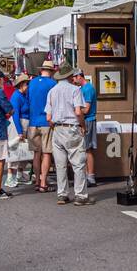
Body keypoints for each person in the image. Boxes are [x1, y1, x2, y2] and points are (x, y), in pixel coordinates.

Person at [46, 64, 92, 206]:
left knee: (60, 165)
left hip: (57, 129)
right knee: (78, 163)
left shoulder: (52, 91)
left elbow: (48, 117)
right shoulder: (75, 90)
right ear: (69, 76)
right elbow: (79, 112)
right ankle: (80, 196)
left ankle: (62, 194)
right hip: (72, 128)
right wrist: (83, 126)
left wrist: (55, 125)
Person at [27, 60, 58, 193]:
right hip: (46, 121)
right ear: (51, 72)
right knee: (46, 153)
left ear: (41, 70)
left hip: (33, 122)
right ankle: (44, 183)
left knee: (36, 153)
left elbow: (28, 100)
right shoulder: (53, 84)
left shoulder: (32, 82)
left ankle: (37, 181)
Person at [7, 73, 32, 189]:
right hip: (18, 125)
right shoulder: (16, 96)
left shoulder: (24, 95)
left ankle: (19, 175)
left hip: (25, 124)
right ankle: (10, 177)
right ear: (21, 85)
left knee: (24, 152)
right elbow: (15, 114)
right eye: (27, 84)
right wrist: (20, 131)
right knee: (14, 152)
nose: (28, 86)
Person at [78, 68, 98, 187]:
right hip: (85, 120)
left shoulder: (88, 88)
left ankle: (91, 177)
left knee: (87, 149)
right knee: (84, 149)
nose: (74, 80)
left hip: (88, 120)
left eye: (75, 78)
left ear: (80, 76)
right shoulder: (83, 89)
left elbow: (86, 109)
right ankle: (87, 175)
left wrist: (75, 110)